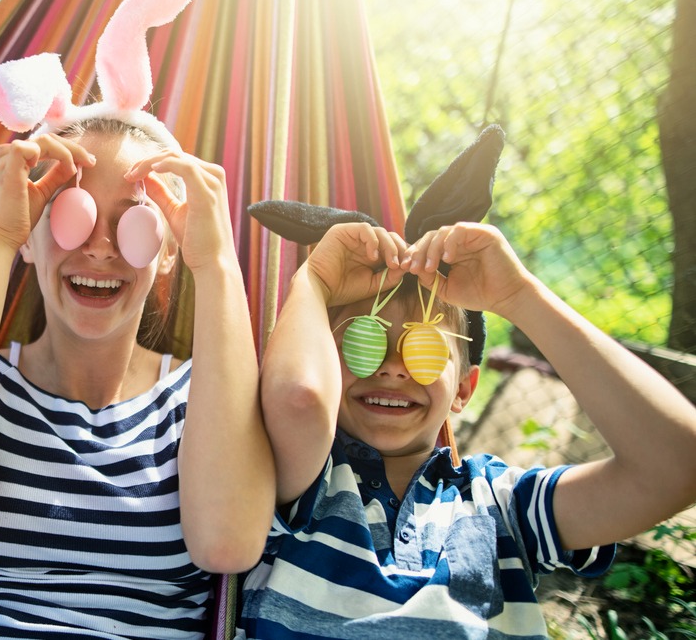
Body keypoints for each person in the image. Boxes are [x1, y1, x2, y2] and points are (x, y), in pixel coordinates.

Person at [0, 0, 274, 639]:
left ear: (169, 247)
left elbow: (228, 544)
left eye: (136, 222)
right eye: (72, 214)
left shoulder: (201, 405)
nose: (100, 248)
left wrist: (217, 258)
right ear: (33, 231)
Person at [240, 218, 696, 638]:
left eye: (424, 348)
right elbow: (298, 399)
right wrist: (314, 282)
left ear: (464, 388)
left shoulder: (503, 505)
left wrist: (520, 295)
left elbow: (677, 466)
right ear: (325, 367)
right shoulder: (299, 480)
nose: (394, 368)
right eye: (366, 338)